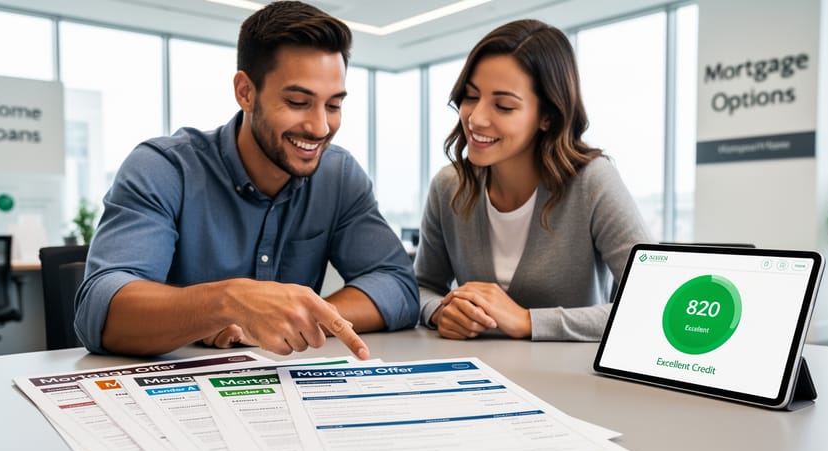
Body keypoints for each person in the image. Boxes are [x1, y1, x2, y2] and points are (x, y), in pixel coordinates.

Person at [74, 1, 418, 359]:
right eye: (299, 102)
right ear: (245, 92)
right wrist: (228, 304)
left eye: (333, 105)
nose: (320, 127)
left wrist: (292, 318)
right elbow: (100, 310)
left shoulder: (339, 176)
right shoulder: (163, 168)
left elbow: (397, 286)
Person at [415, 19, 649, 341]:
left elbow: (649, 301)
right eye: (470, 97)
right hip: (475, 376)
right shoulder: (449, 186)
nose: (476, 118)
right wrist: (439, 311)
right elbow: (420, 287)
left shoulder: (592, 182)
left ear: (547, 116)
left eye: (504, 106)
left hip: (566, 383)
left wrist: (528, 321)